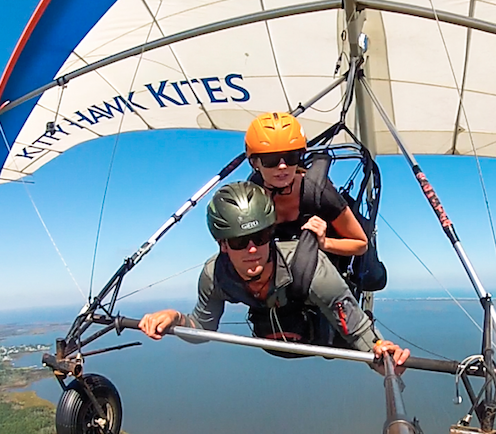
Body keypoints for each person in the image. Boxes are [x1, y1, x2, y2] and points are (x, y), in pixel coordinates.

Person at [139, 181, 408, 368]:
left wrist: (383, 357)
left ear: (271, 233)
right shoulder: (216, 275)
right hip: (276, 336)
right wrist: (174, 318)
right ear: (222, 244)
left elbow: (359, 331)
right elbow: (203, 327)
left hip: (319, 335)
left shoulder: (310, 268)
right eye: (239, 242)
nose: (252, 249)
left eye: (261, 236)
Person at [245, 112, 368, 257]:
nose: (282, 166)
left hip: (321, 272)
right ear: (255, 163)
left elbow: (360, 243)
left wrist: (325, 242)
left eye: (291, 157)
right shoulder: (250, 198)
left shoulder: (318, 193)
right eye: (271, 159)